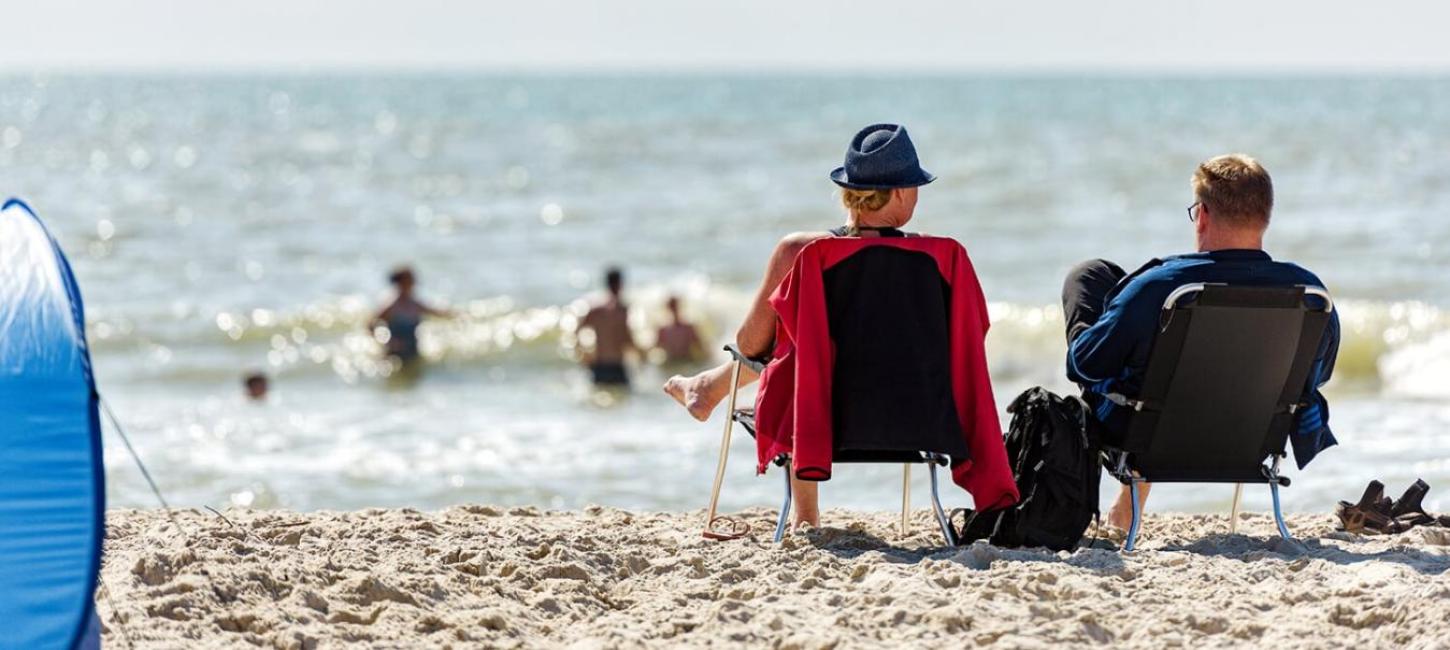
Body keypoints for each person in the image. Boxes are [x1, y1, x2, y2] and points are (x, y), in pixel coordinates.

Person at [664, 123, 937, 529]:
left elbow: (749, 343)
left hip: (817, 416)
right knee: (805, 352)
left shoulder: (801, 251)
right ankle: (708, 387)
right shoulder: (937, 258)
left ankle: (804, 514)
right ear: (899, 192)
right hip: (915, 415)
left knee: (799, 354)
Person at [1060, 154, 1341, 530]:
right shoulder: (1310, 293)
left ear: (1204, 214)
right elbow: (1317, 377)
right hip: (1252, 436)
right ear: (1265, 217)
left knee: (1090, 277)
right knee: (1120, 299)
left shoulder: (1160, 287)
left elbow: (1084, 366)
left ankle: (1131, 488)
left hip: (1150, 436)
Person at [370, 266, 449, 363]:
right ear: (400, 283)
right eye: (410, 279)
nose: (413, 282)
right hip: (393, 353)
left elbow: (437, 313)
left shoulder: (415, 304)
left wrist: (457, 315)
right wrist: (385, 341)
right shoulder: (391, 305)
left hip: (413, 350)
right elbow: (370, 324)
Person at [579, 267, 638, 386]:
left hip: (599, 363)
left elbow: (577, 331)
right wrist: (641, 354)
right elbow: (626, 337)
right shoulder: (622, 310)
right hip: (617, 364)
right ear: (620, 284)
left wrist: (583, 354)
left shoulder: (596, 310)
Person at [655, 296, 704, 364]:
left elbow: (702, 347)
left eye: (675, 307)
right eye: (672, 307)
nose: (674, 310)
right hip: (671, 364)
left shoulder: (689, 328)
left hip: (687, 362)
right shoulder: (662, 330)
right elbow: (656, 350)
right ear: (667, 309)